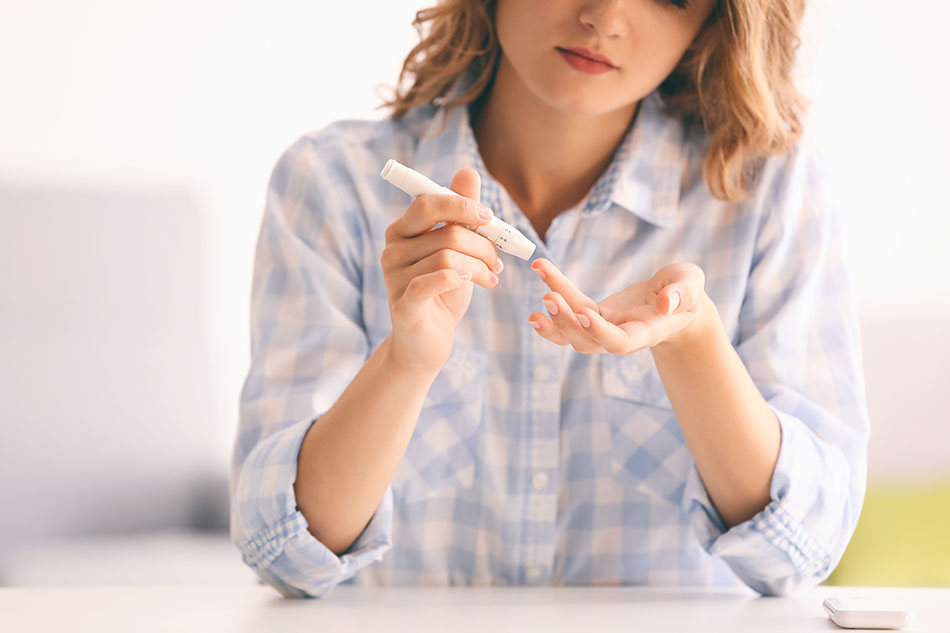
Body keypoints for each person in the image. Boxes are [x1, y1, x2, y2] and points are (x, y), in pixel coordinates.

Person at [230, 0, 869, 598]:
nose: (604, 17)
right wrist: (406, 363)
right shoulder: (332, 184)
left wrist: (694, 342)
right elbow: (285, 559)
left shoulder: (770, 193)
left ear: (712, 24)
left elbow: (800, 554)